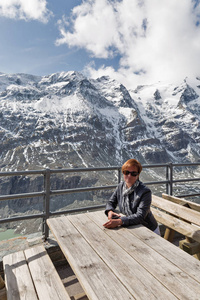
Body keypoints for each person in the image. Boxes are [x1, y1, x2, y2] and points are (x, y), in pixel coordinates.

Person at [103, 158, 160, 234]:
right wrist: (110, 211)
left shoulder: (145, 192)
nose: (129, 176)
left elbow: (140, 216)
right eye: (126, 172)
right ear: (123, 173)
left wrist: (120, 221)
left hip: (148, 229)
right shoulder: (120, 187)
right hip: (130, 227)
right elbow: (111, 202)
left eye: (133, 173)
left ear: (138, 175)